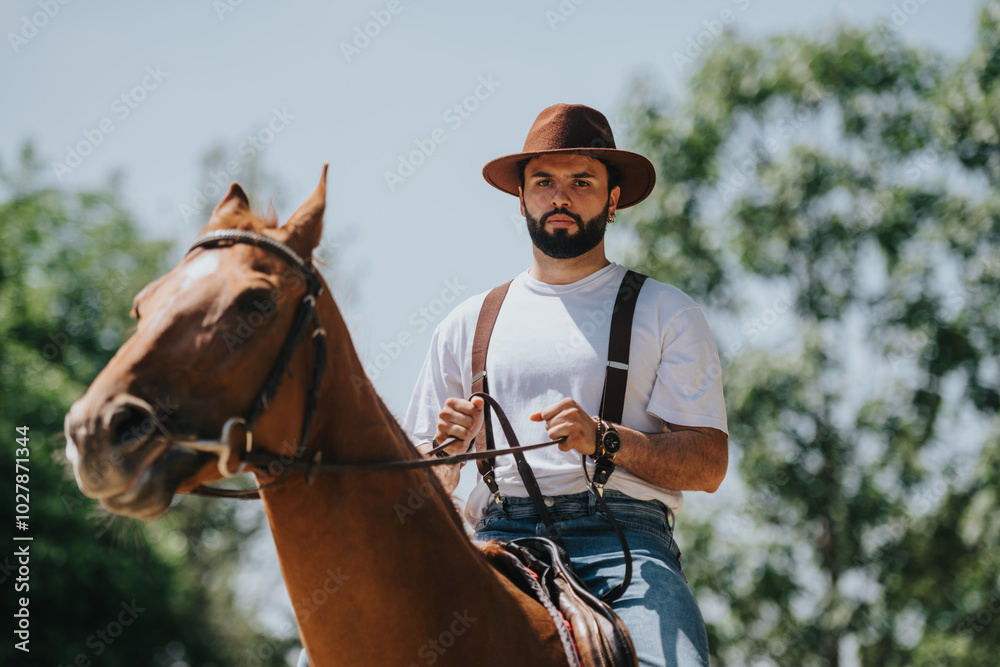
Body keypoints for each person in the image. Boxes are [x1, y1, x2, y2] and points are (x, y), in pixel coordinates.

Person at [403, 103, 729, 667]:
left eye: (582, 182)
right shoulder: (466, 322)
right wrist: (445, 452)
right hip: (495, 536)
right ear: (522, 197)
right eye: (544, 182)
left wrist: (604, 438)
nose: (561, 197)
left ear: (612, 198)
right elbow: (412, 491)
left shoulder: (665, 311)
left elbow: (708, 464)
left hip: (626, 542)